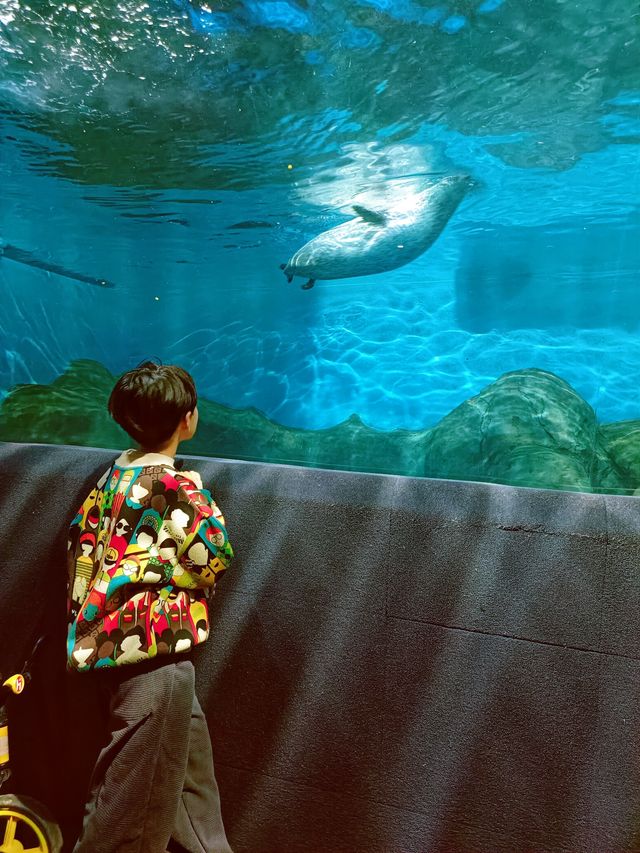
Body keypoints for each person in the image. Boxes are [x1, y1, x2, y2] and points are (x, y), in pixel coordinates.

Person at [66, 361, 234, 853]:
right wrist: (199, 499)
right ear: (188, 419)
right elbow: (215, 557)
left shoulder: (109, 480)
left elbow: (83, 551)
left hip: (104, 651)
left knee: (191, 794)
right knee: (129, 817)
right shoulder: (178, 488)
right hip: (154, 661)